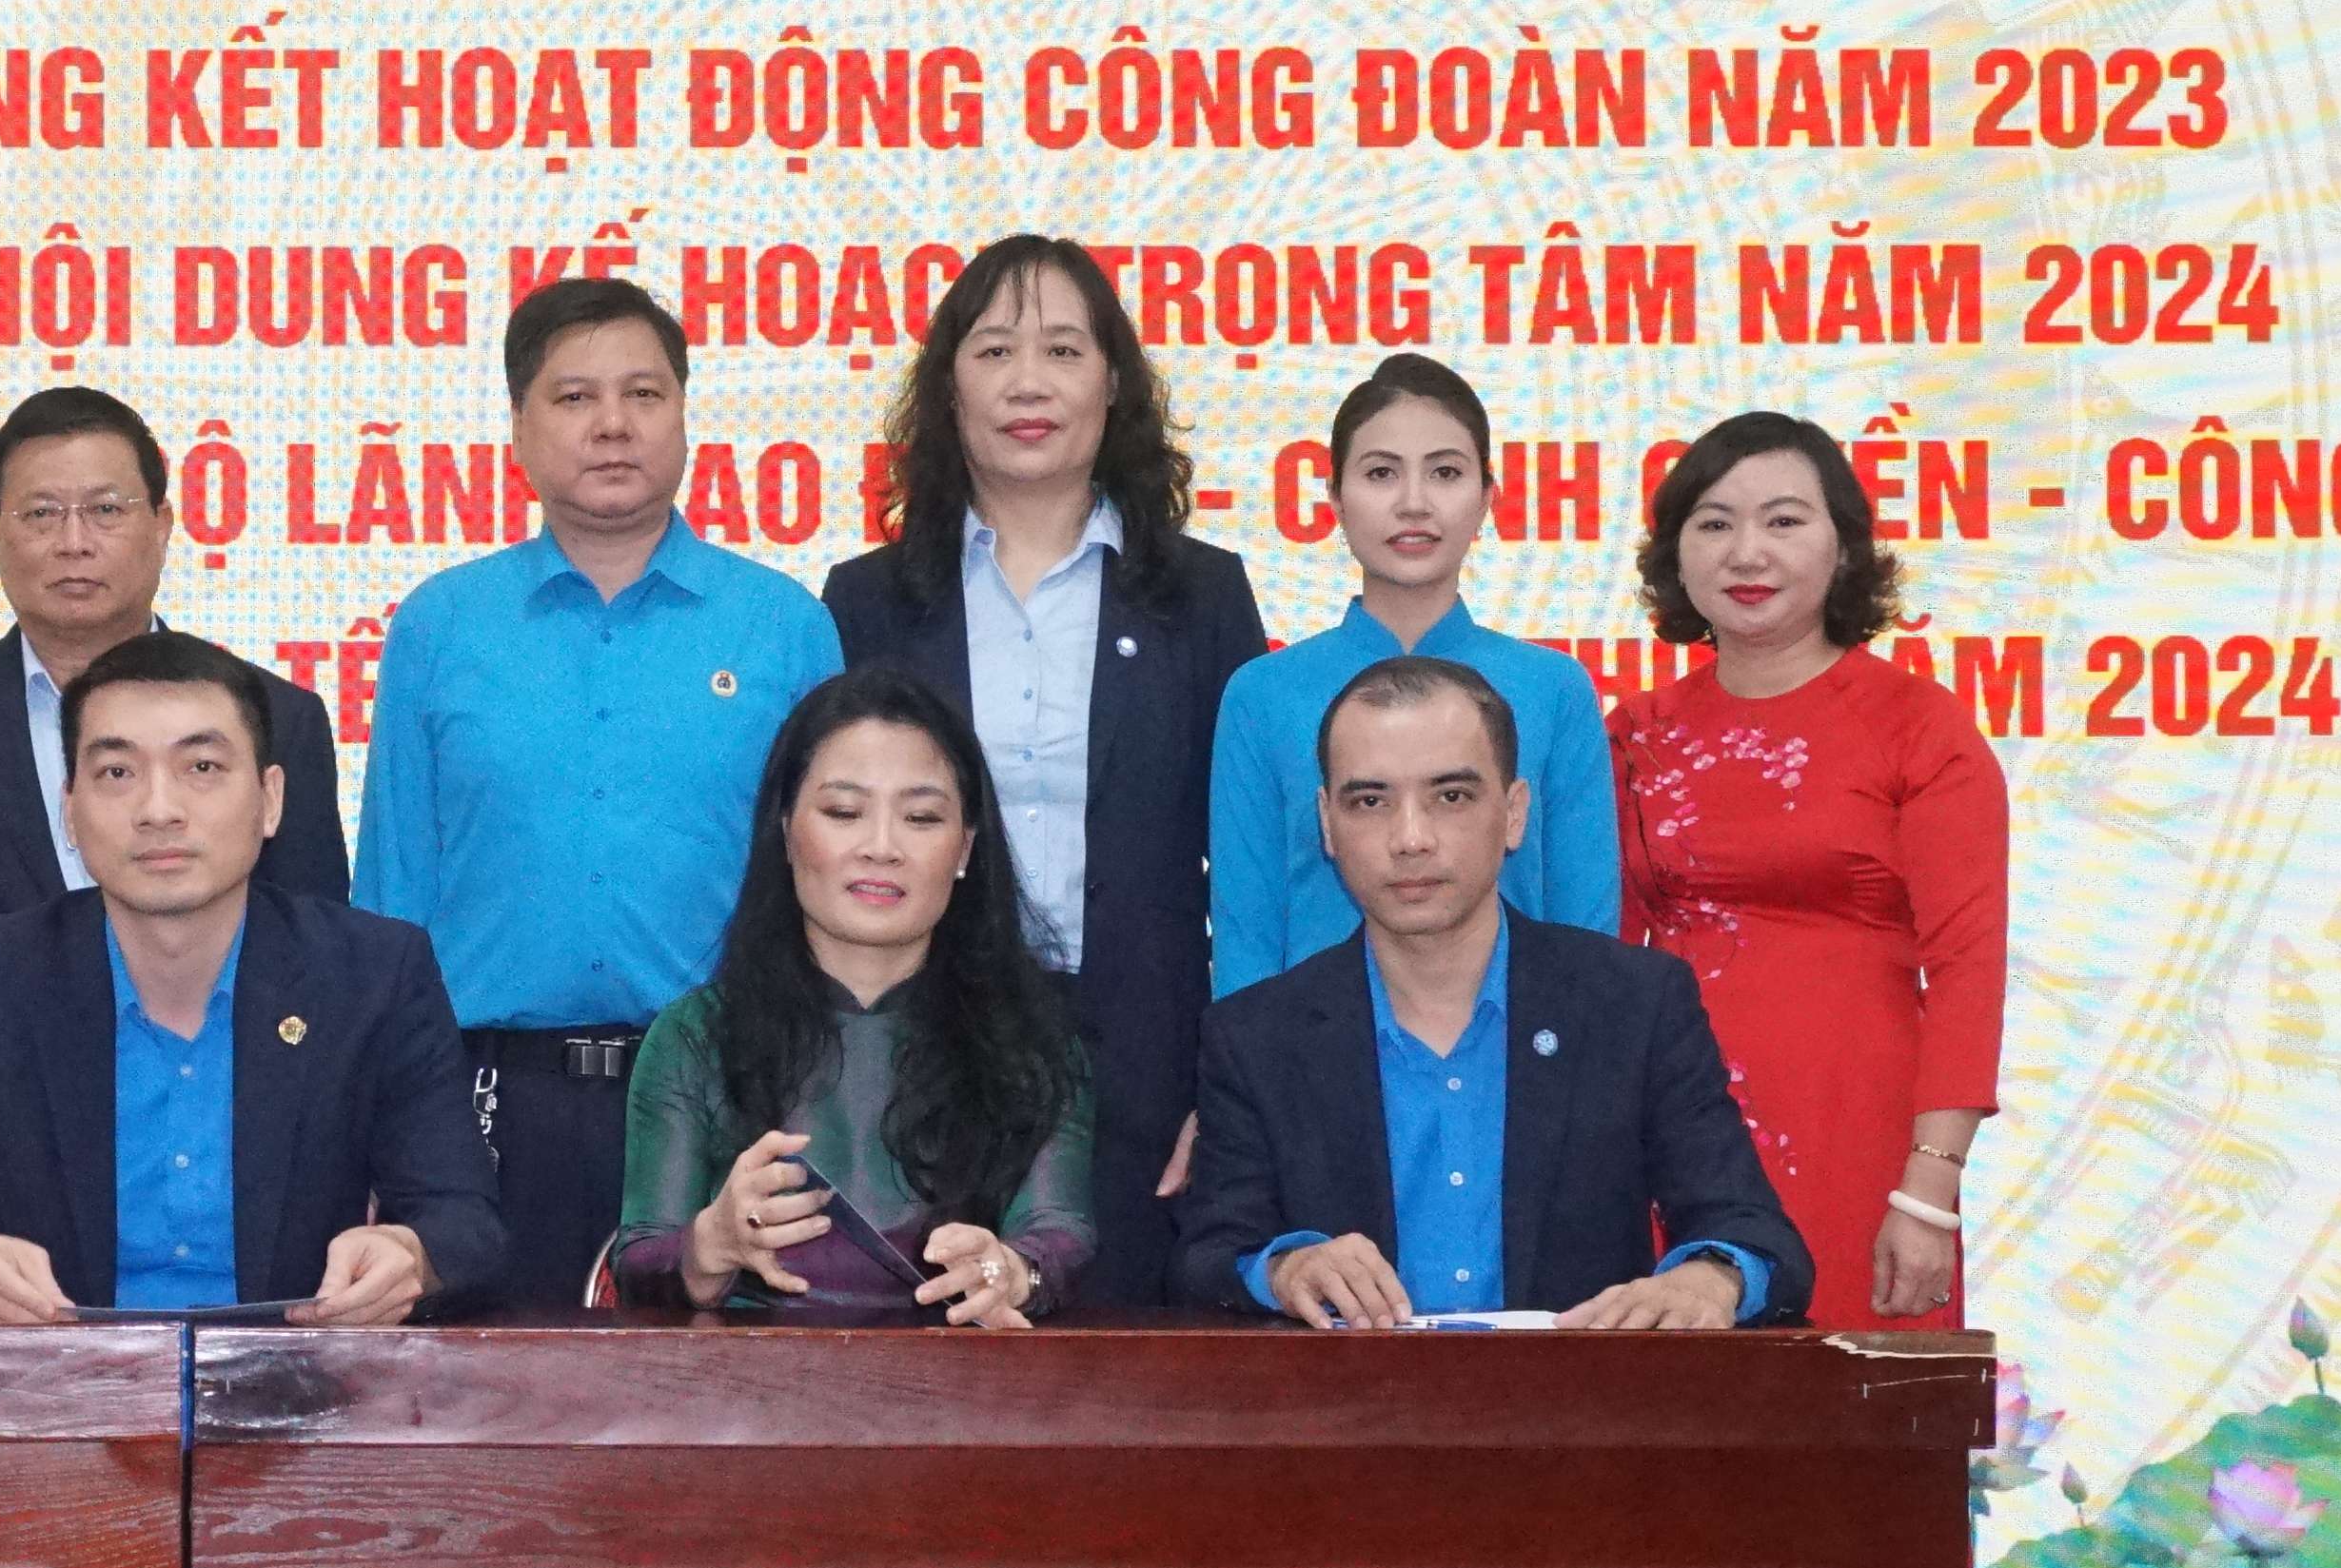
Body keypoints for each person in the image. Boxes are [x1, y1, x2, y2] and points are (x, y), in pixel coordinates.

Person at [351, 279, 841, 1310]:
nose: (613, 424)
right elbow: (393, 895)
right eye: (574, 397)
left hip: (726, 1095)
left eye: (644, 394)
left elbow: (832, 887)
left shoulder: (782, 625)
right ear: (519, 426)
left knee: (722, 1402)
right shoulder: (441, 625)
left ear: (684, 413)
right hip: (491, 1106)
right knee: (490, 1395)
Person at [821, 234, 1269, 1271]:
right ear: (948, 389)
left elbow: (1250, 865)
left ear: (1114, 383)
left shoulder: (1200, 596)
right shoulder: (869, 600)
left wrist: (1233, 1087)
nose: (1030, 382)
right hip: (916, 1060)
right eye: (994, 351)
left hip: (1150, 1067)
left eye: (1064, 350)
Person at [0, 632, 505, 1325]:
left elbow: (464, 1221)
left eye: (201, 766)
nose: (159, 809)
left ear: (270, 799)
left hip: (304, 1375)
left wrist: (410, 1256)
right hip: (56, 1380)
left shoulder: (375, 973)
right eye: (117, 773)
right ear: (70, 809)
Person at [1175, 653, 1805, 1330]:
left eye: (1451, 796)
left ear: (1513, 813)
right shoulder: (1256, 1033)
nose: (1410, 839)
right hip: (1350, 1395)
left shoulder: (1634, 1003)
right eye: (1370, 802)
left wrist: (1712, 1279)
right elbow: (1206, 1255)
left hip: (1577, 1392)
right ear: (1327, 825)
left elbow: (1754, 1233)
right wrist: (1283, 1269)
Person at [0, 383, 350, 1137]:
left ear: (163, 526)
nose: (73, 542)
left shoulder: (277, 718)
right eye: (40, 514)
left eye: (106, 510)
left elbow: (319, 967)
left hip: (221, 1135)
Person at [1611, 411, 2010, 1330]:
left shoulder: (1919, 725)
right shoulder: (1636, 733)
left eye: (1784, 521)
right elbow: (1605, 958)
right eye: (1714, 523)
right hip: (1670, 1127)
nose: (1747, 552)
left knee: (1847, 1403)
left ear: (1843, 547)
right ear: (1676, 557)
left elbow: (1967, 969)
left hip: (1857, 1132)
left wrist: (1929, 1192)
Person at [607, 667, 1093, 1326]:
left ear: (965, 849)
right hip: (744, 1384)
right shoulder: (696, 1035)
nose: (881, 848)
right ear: (785, 830)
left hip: (964, 1382)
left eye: (920, 817)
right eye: (844, 813)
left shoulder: (1035, 1041)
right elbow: (639, 1263)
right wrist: (708, 1245)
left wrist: (1013, 1271)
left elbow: (1061, 1234)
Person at [1200, 351, 1617, 994]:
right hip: (1313, 1048)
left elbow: (1587, 935)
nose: (1414, 503)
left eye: (1445, 472)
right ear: (1335, 499)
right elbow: (1245, 938)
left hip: (1523, 1044)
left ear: (1487, 498)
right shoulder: (1263, 695)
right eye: (1381, 473)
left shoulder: (1555, 689)